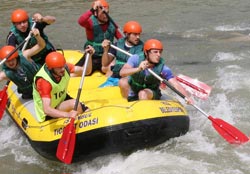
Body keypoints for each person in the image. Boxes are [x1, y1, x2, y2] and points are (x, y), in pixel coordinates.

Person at [120, 39, 193, 104]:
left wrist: (187, 97)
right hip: (134, 89)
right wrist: (138, 69)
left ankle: (145, 114)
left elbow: (175, 84)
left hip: (151, 92)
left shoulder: (163, 68)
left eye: (160, 52)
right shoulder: (135, 59)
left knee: (142, 94)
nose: (158, 55)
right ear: (146, 52)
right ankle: (127, 104)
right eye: (155, 52)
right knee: (122, 82)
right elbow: (122, 73)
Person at [32, 52, 90, 122]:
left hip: (61, 99)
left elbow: (87, 71)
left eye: (63, 66)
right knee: (75, 104)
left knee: (88, 111)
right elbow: (47, 109)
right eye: (59, 68)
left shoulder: (65, 68)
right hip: (49, 112)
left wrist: (89, 56)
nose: (63, 69)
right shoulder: (44, 82)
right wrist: (68, 114)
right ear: (51, 69)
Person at [77, 0, 123, 74]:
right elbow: (81, 21)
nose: (106, 16)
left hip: (106, 57)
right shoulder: (90, 23)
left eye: (107, 13)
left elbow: (121, 40)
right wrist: (92, 10)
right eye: (103, 13)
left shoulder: (112, 25)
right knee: (80, 71)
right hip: (92, 56)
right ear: (96, 13)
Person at [100, 21, 144, 97]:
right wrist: (105, 50)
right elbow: (105, 64)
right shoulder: (117, 45)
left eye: (139, 34)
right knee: (100, 92)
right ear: (127, 34)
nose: (138, 37)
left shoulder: (142, 48)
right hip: (115, 77)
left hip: (129, 79)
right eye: (135, 34)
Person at [0, 28, 45, 99]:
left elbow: (41, 46)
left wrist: (37, 36)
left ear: (16, 57)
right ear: (4, 62)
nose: (11, 63)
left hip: (43, 85)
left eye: (12, 60)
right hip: (29, 94)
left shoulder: (25, 55)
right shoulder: (5, 73)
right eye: (8, 61)